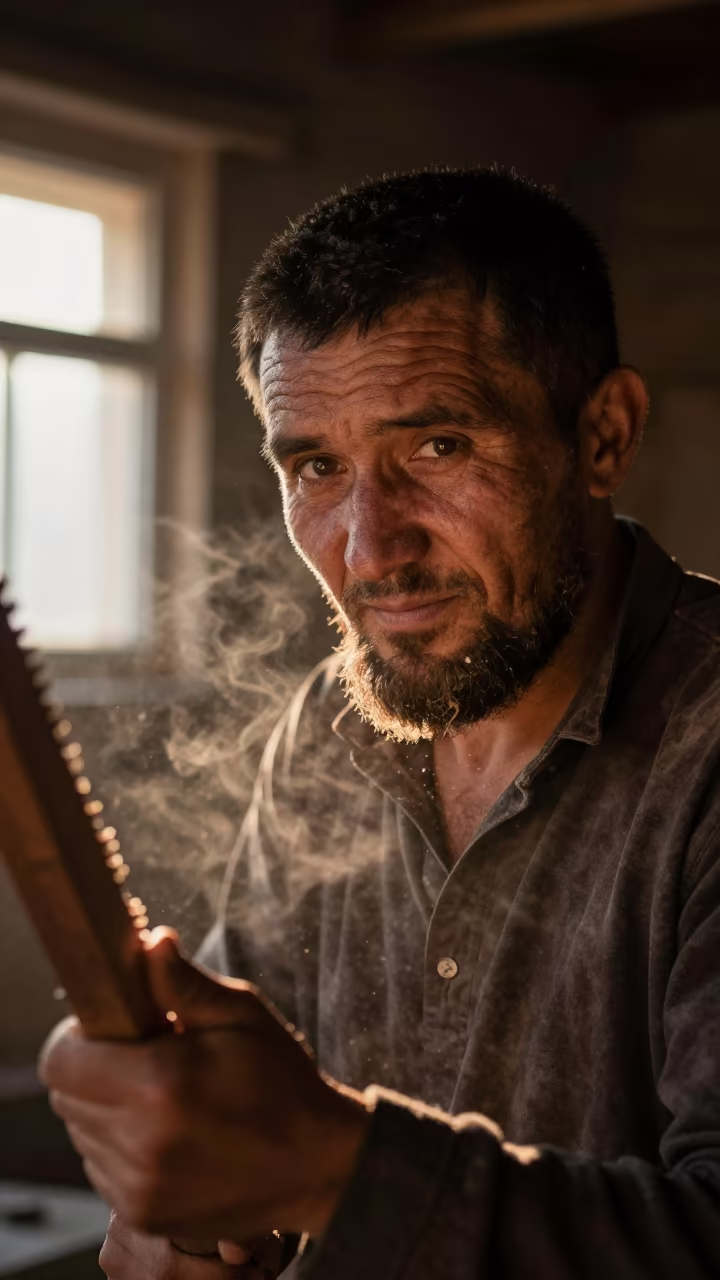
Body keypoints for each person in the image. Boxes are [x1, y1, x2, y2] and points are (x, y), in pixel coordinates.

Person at [41, 168, 720, 1279]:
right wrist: (181, 1200)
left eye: (438, 448)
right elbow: (234, 1102)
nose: (370, 549)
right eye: (317, 466)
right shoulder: (322, 732)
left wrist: (336, 1167)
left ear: (604, 434)